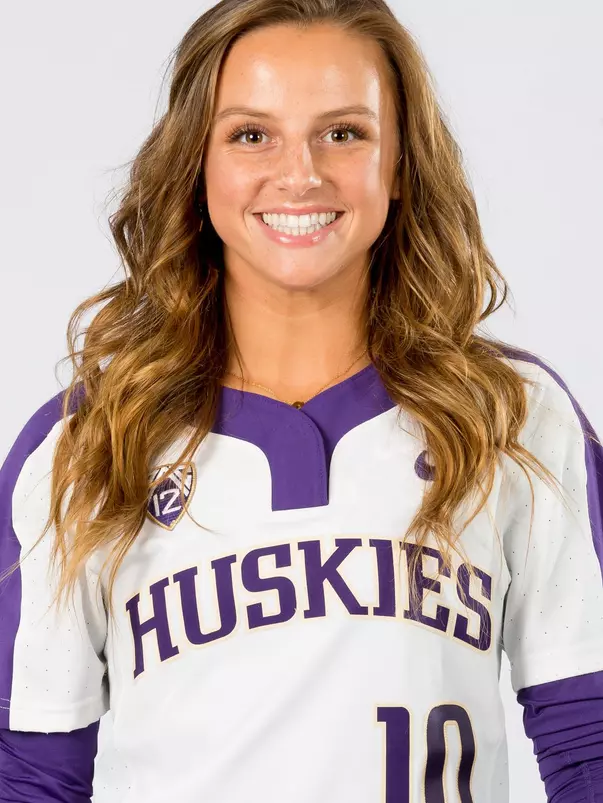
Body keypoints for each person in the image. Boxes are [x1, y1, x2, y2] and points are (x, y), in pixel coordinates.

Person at [1, 1, 602, 801]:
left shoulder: (512, 416)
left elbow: (587, 740)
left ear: (399, 162)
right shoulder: (87, 444)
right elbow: (29, 773)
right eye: (252, 134)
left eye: (343, 132)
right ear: (197, 164)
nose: (301, 173)